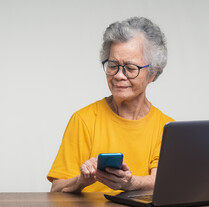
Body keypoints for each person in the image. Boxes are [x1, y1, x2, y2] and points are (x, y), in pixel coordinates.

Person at [47, 17, 174, 192]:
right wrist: (81, 180)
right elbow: (56, 190)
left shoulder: (166, 127)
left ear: (152, 73)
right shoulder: (83, 120)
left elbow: (163, 182)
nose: (119, 76)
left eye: (130, 68)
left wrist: (130, 183)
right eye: (113, 65)